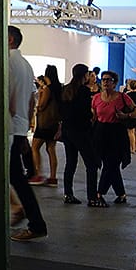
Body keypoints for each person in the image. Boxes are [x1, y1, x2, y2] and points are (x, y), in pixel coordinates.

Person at [7, 26, 47, 241]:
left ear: (10, 40)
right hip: (19, 127)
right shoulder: (26, 65)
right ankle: (24, 213)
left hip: (9, 128)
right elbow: (31, 100)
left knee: (14, 177)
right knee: (15, 176)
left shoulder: (9, 63)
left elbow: (9, 100)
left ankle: (31, 219)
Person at [92, 71, 136, 206]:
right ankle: (121, 194)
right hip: (100, 133)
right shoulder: (96, 98)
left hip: (117, 133)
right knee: (110, 166)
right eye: (104, 80)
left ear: (115, 83)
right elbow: (94, 116)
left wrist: (126, 116)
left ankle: (99, 193)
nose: (105, 82)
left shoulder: (122, 97)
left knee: (111, 164)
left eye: (109, 80)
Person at [58, 63, 98, 206]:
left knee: (70, 163)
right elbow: (85, 112)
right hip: (80, 132)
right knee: (91, 164)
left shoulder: (65, 90)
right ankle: (92, 197)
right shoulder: (84, 91)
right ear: (84, 75)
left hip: (67, 132)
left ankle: (68, 194)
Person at [29, 64, 62, 186]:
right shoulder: (59, 88)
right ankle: (53, 177)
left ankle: (37, 174)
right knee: (51, 149)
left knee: (35, 147)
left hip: (44, 123)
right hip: (54, 123)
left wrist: (40, 96)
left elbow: (41, 105)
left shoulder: (48, 89)